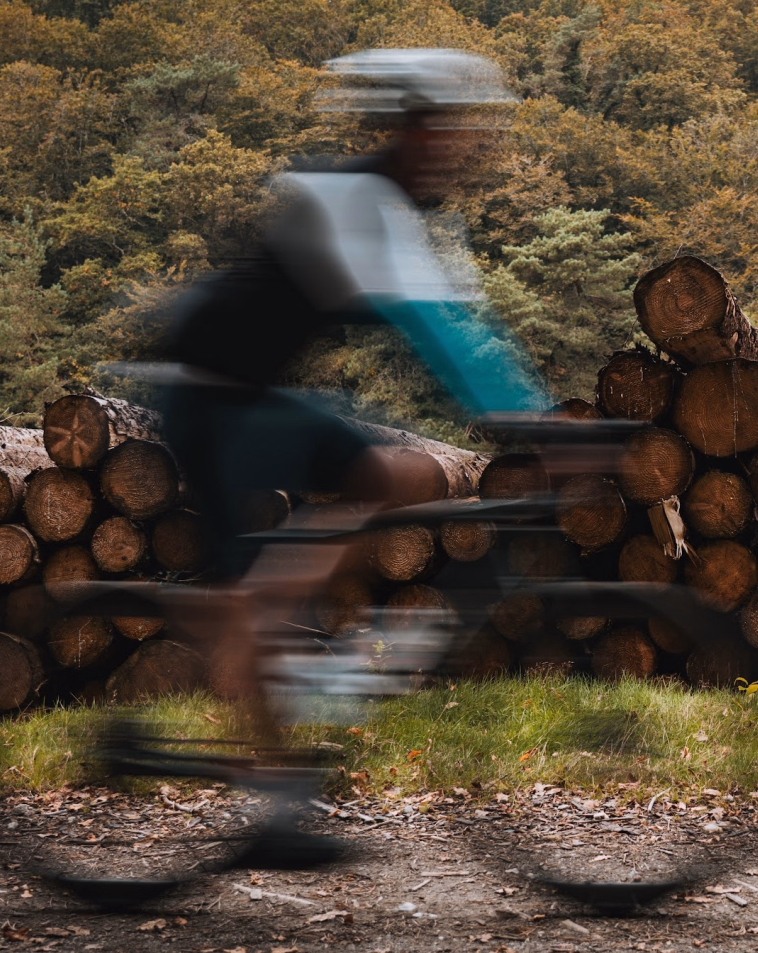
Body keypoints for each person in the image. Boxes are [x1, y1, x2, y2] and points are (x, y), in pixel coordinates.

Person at [155, 49, 550, 866]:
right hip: (205, 394)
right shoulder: (349, 198)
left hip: (251, 392)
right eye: (440, 134)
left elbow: (463, 324)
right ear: (404, 131)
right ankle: (272, 807)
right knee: (247, 605)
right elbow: (436, 335)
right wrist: (536, 426)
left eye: (457, 138)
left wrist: (542, 415)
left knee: (398, 475)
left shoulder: (394, 214)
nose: (452, 151)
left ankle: (291, 639)